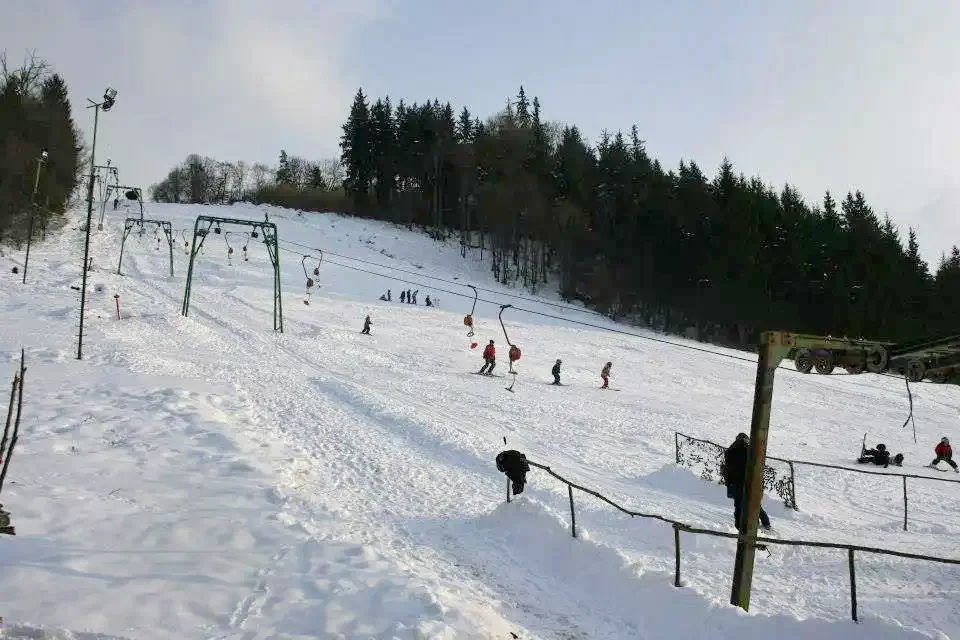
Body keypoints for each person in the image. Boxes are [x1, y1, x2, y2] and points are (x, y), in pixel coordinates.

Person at [722, 432, 771, 533]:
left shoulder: (730, 451)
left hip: (736, 483)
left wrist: (728, 483)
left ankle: (739, 526)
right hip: (750, 481)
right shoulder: (750, 449)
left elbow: (727, 470)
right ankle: (765, 523)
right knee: (755, 503)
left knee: (738, 505)